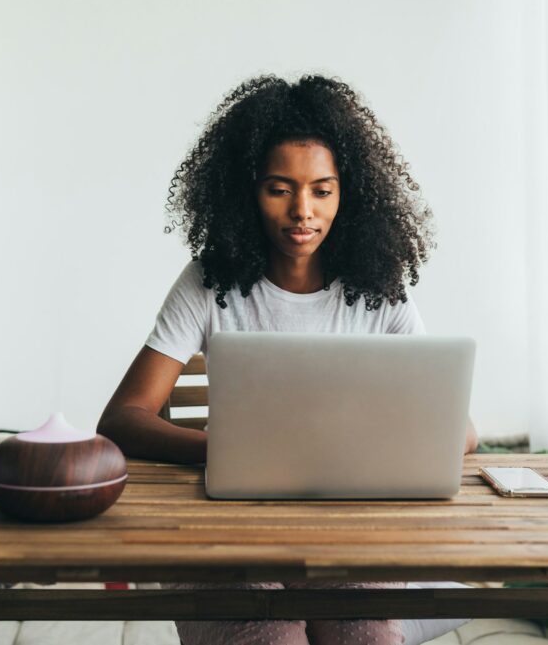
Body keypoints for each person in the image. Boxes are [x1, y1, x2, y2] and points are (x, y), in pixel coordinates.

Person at [98, 74, 478, 645]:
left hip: (350, 539)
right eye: (280, 188)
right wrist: (229, 456)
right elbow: (123, 419)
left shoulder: (377, 289)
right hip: (226, 540)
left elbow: (461, 431)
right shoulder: (210, 282)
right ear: (246, 191)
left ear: (348, 194)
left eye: (322, 190)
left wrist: (374, 456)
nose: (303, 210)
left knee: (367, 639)